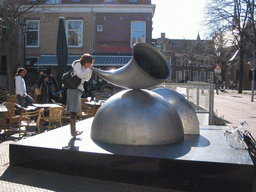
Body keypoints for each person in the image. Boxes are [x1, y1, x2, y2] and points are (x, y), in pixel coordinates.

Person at [66, 53, 93, 137]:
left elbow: (87, 79)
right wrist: (88, 70)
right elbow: (80, 75)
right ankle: (73, 132)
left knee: (75, 111)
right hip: (73, 89)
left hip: (78, 90)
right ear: (84, 61)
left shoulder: (85, 68)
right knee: (73, 111)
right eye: (88, 63)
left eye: (90, 63)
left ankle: (74, 130)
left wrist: (89, 70)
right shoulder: (78, 64)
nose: (89, 65)